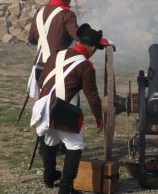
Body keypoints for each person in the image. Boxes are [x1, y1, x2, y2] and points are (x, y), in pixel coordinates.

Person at [30, 23, 106, 194]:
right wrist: (99, 118)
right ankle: (66, 187)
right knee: (75, 145)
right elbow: (92, 96)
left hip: (44, 106)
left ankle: (49, 178)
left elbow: (41, 79)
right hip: (62, 109)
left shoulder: (57, 55)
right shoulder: (85, 66)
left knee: (51, 140)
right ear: (92, 48)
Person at [26, 0, 82, 106]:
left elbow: (32, 39)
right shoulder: (67, 15)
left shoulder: (40, 11)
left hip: (39, 67)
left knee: (43, 106)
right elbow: (79, 36)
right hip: (58, 68)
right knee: (66, 109)